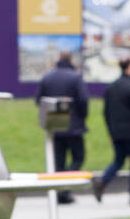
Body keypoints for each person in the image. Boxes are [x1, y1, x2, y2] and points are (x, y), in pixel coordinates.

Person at [93, 55, 130, 205]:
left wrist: (111, 133)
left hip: (117, 133)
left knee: (118, 161)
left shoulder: (111, 87)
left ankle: (102, 181)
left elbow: (106, 112)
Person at [36, 51, 90, 204]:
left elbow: (39, 100)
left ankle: (61, 192)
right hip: (73, 127)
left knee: (58, 162)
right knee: (78, 157)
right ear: (71, 59)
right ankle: (65, 187)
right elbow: (83, 99)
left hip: (55, 127)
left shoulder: (48, 77)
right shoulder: (76, 77)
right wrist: (82, 116)